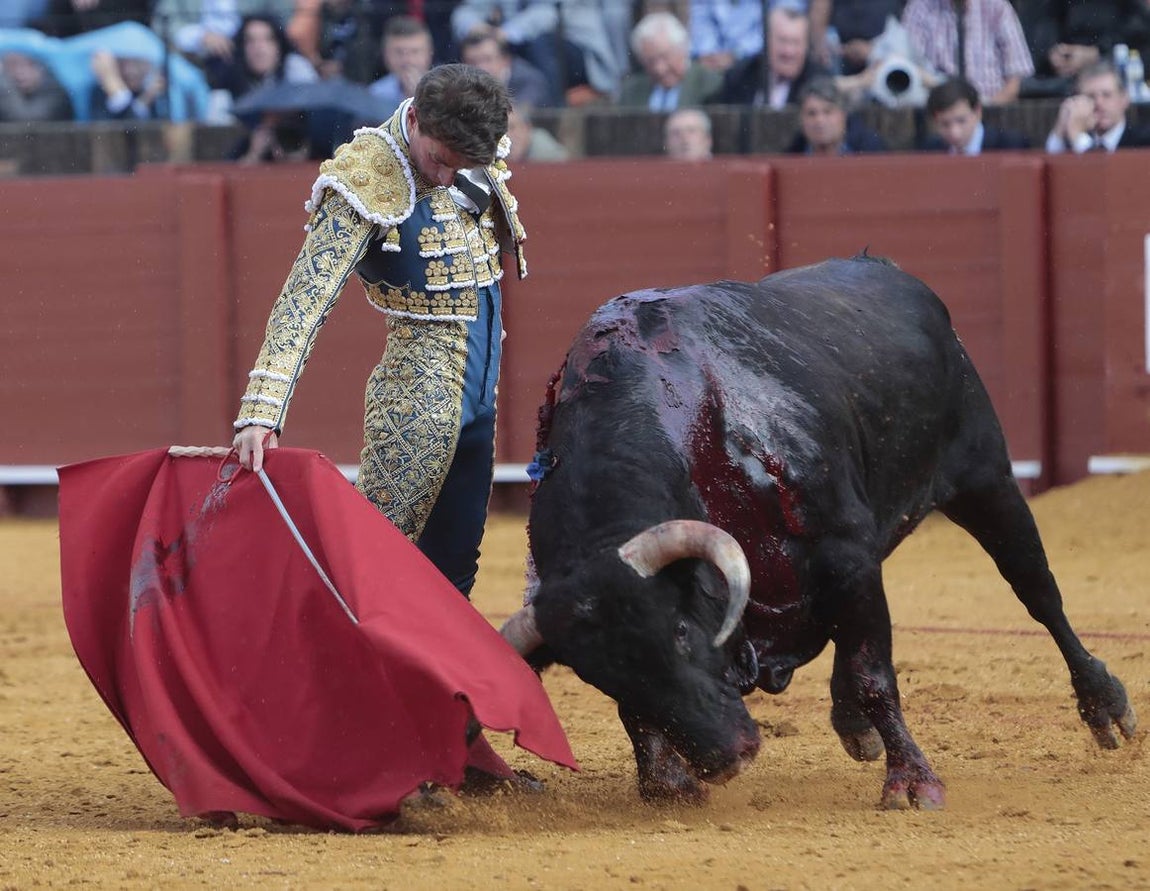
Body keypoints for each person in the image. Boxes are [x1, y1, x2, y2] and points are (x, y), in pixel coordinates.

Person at [233, 63, 527, 611]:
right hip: (418, 397)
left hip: (481, 393)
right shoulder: (363, 178)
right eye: (439, 159)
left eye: (462, 165)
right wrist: (262, 409)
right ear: (413, 118)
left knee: (456, 570)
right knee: (369, 564)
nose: (445, 177)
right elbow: (305, 298)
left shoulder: (468, 149)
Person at [450, 0, 624, 106]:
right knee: (471, 40)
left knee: (540, 42)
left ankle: (553, 111)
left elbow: (547, 14)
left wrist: (504, 34)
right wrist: (475, 26)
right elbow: (466, 11)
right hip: (513, 42)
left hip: (579, 53)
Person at [901, 0, 1034, 105]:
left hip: (991, 110)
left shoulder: (998, 6)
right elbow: (906, 67)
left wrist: (983, 110)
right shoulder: (919, 7)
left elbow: (1015, 80)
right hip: (938, 113)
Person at [717, 5, 830, 107]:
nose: (788, 51)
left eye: (796, 42)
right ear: (765, 40)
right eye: (782, 41)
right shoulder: (741, 75)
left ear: (806, 45)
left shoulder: (818, 81)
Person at [618, 11, 723, 111]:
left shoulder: (710, 84)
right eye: (650, 61)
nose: (659, 69)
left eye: (665, 57)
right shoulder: (631, 91)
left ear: (683, 49)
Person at [209, 14, 318, 107]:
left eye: (268, 39)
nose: (259, 48)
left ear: (279, 45)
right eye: (250, 41)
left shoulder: (295, 67)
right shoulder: (231, 75)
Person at [1045, 60, 1150, 153]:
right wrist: (1061, 128)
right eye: (1090, 96)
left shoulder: (1143, 142)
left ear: (1124, 99)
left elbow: (1102, 171)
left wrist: (1078, 136)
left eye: (1106, 95)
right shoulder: (1073, 141)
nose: (1098, 103)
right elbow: (1051, 164)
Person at [921, 75, 1029, 153]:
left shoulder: (1010, 146)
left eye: (961, 121)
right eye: (945, 124)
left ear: (977, 112)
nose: (955, 132)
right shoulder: (929, 150)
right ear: (935, 122)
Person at [785, 76, 885, 154]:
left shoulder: (870, 151)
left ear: (843, 114)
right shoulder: (791, 156)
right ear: (801, 119)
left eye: (828, 112)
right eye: (811, 113)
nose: (819, 120)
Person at [460, 25, 553, 108]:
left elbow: (515, 119)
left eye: (487, 59)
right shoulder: (460, 84)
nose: (479, 68)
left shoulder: (530, 81)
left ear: (505, 59)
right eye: (471, 62)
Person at [368, 15, 434, 115]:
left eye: (414, 52)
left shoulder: (445, 90)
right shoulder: (375, 94)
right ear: (385, 54)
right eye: (399, 52)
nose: (407, 60)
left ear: (429, 53)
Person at [88, 49, 169, 120]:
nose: (130, 71)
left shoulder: (152, 91)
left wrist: (145, 99)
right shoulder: (100, 92)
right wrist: (117, 93)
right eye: (123, 64)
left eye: (137, 63)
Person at [0, 51, 75, 122]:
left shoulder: (54, 90)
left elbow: (26, 123)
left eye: (29, 64)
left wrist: (3, 84)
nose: (20, 71)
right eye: (12, 66)